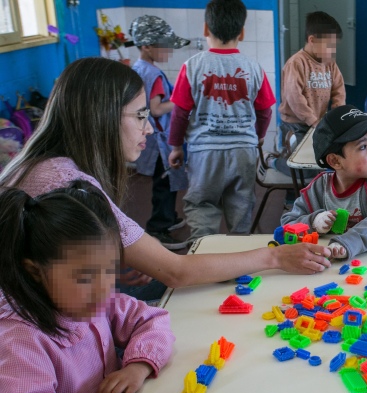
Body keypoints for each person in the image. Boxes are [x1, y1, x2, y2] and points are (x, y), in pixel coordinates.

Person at [0, 57, 331, 304]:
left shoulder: (46, 164)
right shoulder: (64, 181)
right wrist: (274, 256)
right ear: (101, 117)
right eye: (140, 116)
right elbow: (175, 270)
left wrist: (113, 263)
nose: (148, 128)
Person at [0, 181, 202, 393]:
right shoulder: (20, 341)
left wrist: (139, 365)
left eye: (110, 271)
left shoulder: (91, 300)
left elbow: (152, 318)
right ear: (34, 271)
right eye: (85, 277)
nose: (104, 289)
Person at [168, 0, 276, 242]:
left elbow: (180, 113)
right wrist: (258, 136)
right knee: (241, 205)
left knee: (202, 205)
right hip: (243, 151)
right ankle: (238, 257)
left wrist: (175, 146)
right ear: (243, 32)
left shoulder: (192, 66)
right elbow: (265, 111)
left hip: (205, 152)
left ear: (206, 29)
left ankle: (203, 255)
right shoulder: (254, 68)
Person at [281, 105, 367, 260]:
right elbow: (287, 224)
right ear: (335, 161)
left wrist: (348, 243)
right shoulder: (318, 188)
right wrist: (314, 222)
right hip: (331, 267)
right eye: (363, 146)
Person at [130, 14, 191, 250]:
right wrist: (180, 100)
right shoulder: (153, 74)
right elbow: (155, 109)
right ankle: (159, 227)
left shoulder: (139, 68)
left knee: (164, 182)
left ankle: (169, 218)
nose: (169, 52)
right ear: (146, 46)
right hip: (159, 141)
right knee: (164, 185)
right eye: (165, 47)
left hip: (151, 139)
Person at [270, 11, 346, 189]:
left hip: (318, 124)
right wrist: (312, 120)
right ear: (312, 40)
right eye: (329, 46)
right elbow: (294, 97)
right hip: (296, 124)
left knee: (327, 160)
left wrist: (336, 114)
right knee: (303, 168)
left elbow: (339, 90)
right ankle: (274, 163)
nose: (332, 51)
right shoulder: (296, 63)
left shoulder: (330, 63)